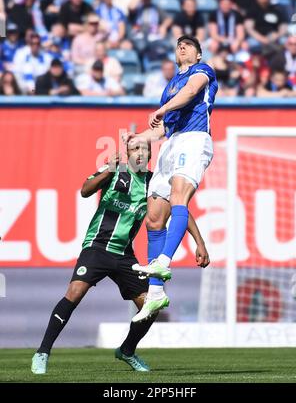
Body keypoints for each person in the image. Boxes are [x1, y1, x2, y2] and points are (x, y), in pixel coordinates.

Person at [31, 141, 209, 374]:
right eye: (135, 149)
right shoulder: (116, 172)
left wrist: (200, 242)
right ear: (128, 153)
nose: (140, 153)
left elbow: (179, 210)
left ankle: (127, 350)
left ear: (150, 154)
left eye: (145, 149)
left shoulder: (154, 183)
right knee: (74, 293)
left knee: (150, 306)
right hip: (97, 247)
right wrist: (109, 170)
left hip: (125, 255)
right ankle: (42, 352)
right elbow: (85, 191)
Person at [123, 34, 217, 322]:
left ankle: (163, 262)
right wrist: (138, 137)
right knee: (153, 217)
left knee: (178, 196)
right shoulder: (169, 88)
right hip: (173, 143)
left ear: (198, 55)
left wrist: (163, 109)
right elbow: (162, 130)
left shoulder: (202, 72)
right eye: (179, 44)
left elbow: (189, 93)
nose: (182, 46)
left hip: (194, 139)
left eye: (188, 44)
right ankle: (154, 293)